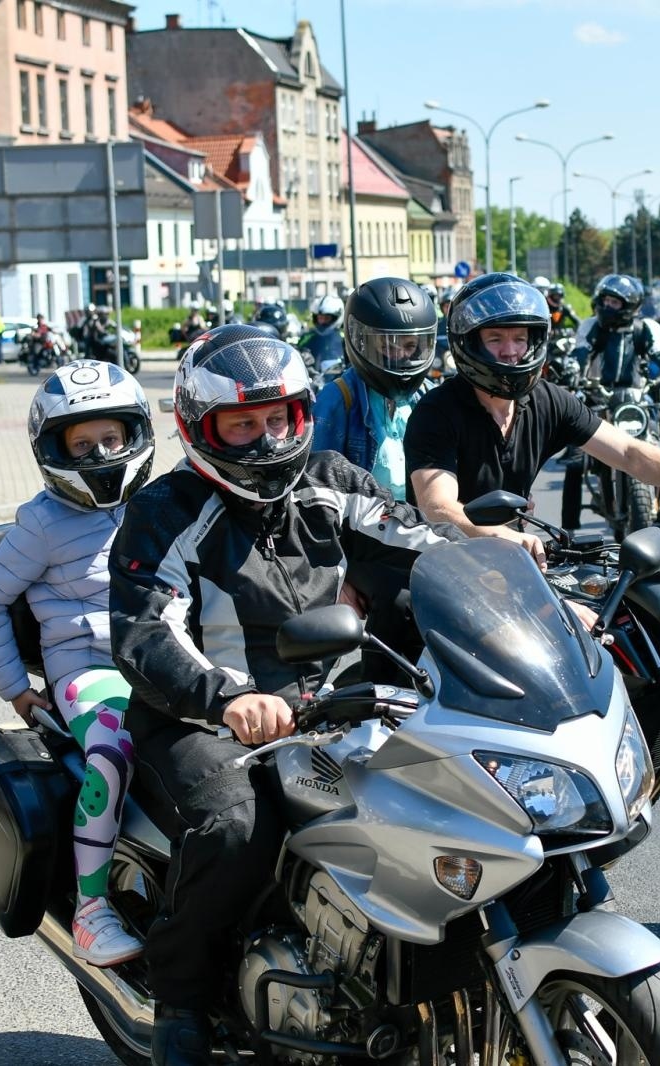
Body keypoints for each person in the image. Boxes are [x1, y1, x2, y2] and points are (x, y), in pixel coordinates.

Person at [109, 324, 460, 1065]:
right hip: (203, 720)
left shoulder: (334, 480)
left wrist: (514, 575)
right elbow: (147, 634)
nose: (265, 439)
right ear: (199, 427)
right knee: (239, 830)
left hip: (337, 705)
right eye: (241, 423)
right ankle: (181, 999)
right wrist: (225, 698)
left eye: (279, 419)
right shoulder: (166, 511)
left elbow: (422, 551)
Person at [0, 360, 156, 968]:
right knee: (114, 750)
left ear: (135, 436)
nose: (99, 453)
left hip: (162, 657)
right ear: (54, 450)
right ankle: (92, 910)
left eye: (110, 439)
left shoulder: (158, 503)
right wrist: (16, 690)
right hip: (88, 668)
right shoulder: (42, 524)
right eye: (82, 443)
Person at [405, 272, 660, 564]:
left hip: (513, 556)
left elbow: (626, 452)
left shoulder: (547, 401)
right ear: (470, 342)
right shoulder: (437, 412)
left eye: (520, 338)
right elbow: (438, 507)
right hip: (444, 560)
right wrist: (503, 536)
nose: (511, 351)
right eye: (495, 339)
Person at [313, 277, 438, 500]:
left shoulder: (427, 395)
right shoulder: (338, 399)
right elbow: (318, 487)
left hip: (421, 526)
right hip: (365, 529)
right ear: (362, 341)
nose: (401, 355)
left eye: (410, 346)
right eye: (389, 345)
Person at [297, 293, 345, 381]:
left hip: (339, 381)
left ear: (337, 317)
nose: (322, 322)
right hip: (313, 382)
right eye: (320, 318)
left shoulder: (344, 338)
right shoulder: (307, 336)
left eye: (326, 318)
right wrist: (302, 355)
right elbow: (297, 352)